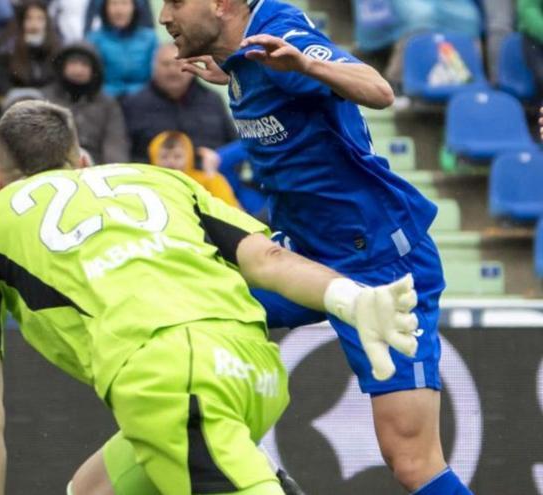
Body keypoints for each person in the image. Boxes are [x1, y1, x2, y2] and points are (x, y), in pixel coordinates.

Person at [0, 100, 420, 494]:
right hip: (254, 372)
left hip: (172, 384)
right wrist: (350, 298)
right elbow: (268, 259)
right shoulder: (160, 179)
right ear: (84, 160)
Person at [111, 1, 458, 494]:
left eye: (176, 1)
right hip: (302, 254)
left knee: (412, 461)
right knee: (195, 310)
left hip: (381, 262)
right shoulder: (240, 59)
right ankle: (235, 466)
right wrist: (230, 69)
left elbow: (378, 90)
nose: (164, 16)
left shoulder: (282, 36)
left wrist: (306, 64)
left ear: (221, 3)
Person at [122, 42, 237, 161]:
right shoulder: (135, 104)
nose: (172, 70)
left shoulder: (212, 100)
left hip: (209, 175)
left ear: (192, 67)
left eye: (178, 64)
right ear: (153, 67)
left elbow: (234, 144)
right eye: (165, 64)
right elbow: (125, 152)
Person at [42, 42, 129, 164]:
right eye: (73, 63)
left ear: (94, 71)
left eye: (84, 65)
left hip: (97, 169)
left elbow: (115, 144)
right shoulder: (45, 99)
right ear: (62, 67)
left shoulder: (107, 104)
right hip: (55, 165)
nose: (78, 70)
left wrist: (114, 171)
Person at [87, 0, 158, 98]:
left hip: (143, 100)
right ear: (105, 8)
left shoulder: (150, 39)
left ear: (135, 7)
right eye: (114, 4)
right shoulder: (94, 39)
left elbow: (156, 77)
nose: (119, 10)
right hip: (106, 101)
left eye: (124, 3)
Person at [148, 130, 239, 207]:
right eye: (164, 157)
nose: (171, 162)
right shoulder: (148, 182)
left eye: (177, 156)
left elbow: (231, 211)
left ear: (189, 157)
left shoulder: (208, 180)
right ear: (153, 157)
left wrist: (211, 177)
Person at [0, 0, 60, 90]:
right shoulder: (7, 52)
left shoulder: (56, 52)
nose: (34, 24)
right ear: (21, 22)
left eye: (40, 19)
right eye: (29, 18)